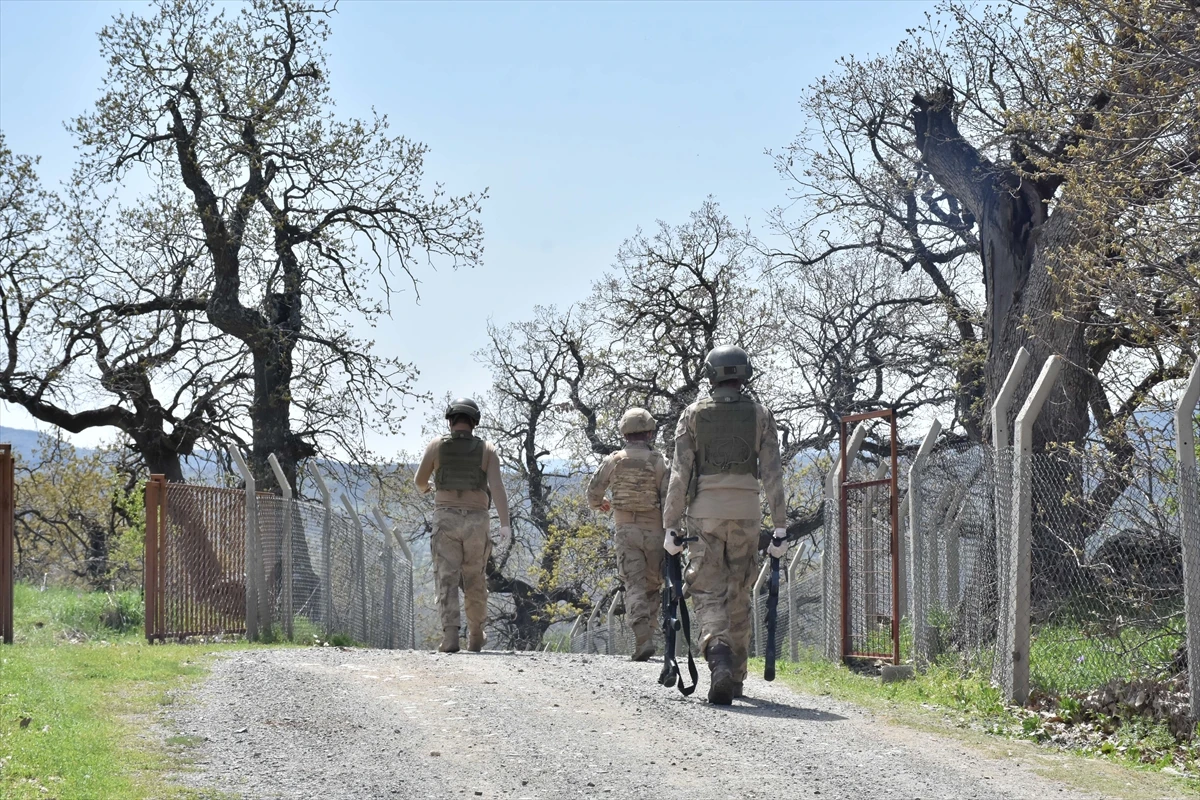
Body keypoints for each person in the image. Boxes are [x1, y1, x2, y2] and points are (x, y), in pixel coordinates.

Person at [662, 346, 788, 704]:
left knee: (706, 590)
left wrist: (670, 525)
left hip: (705, 515)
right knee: (739, 590)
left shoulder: (692, 414)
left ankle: (718, 656)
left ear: (710, 375)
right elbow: (773, 474)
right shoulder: (761, 415)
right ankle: (735, 678)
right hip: (747, 514)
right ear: (744, 374)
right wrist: (779, 526)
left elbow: (679, 474)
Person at [415, 398, 511, 653]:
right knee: (474, 578)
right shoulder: (487, 449)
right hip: (477, 521)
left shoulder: (437, 445)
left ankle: (450, 637)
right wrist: (505, 524)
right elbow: (497, 487)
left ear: (450, 420)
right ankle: (476, 635)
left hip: (445, 518)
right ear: (474, 423)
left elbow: (419, 480)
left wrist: (428, 489)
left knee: (446, 577)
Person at [587, 407, 671, 661]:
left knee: (633, 583)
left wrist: (599, 503)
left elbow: (593, 492)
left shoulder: (613, 460)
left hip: (626, 532)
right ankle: (650, 633)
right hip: (655, 531)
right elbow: (671, 500)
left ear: (624, 433)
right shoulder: (660, 462)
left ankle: (642, 637)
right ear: (649, 432)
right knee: (653, 584)